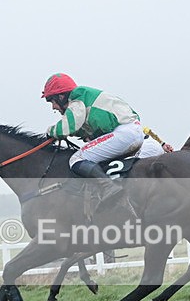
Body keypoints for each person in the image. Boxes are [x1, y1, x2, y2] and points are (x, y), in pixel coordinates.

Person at [41, 73, 145, 212]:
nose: (53, 107)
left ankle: (109, 187)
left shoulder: (77, 98)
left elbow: (68, 126)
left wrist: (51, 132)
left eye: (52, 101)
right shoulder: (85, 98)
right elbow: (82, 128)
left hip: (124, 133)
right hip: (133, 132)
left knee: (77, 158)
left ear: (61, 96)